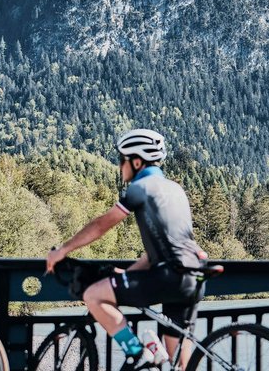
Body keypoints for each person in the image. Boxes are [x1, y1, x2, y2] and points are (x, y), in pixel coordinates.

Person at [46, 129, 205, 368]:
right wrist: (130, 273)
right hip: (193, 275)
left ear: (137, 161)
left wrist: (63, 250)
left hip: (169, 276)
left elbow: (101, 225)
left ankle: (136, 352)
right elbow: (160, 251)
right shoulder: (175, 189)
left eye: (122, 160)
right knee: (178, 366)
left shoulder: (141, 188)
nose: (120, 166)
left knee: (93, 295)